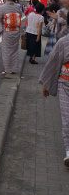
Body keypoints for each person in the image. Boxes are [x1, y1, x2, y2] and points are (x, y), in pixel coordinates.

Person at [39, 34, 69, 167]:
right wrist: (47, 84)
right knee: (67, 118)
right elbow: (53, 62)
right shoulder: (63, 42)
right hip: (65, 84)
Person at [0, 0, 23, 76]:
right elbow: (20, 15)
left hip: (7, 31)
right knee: (14, 50)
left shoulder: (2, 7)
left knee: (6, 51)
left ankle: (7, 69)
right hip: (16, 31)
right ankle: (14, 69)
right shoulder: (17, 7)